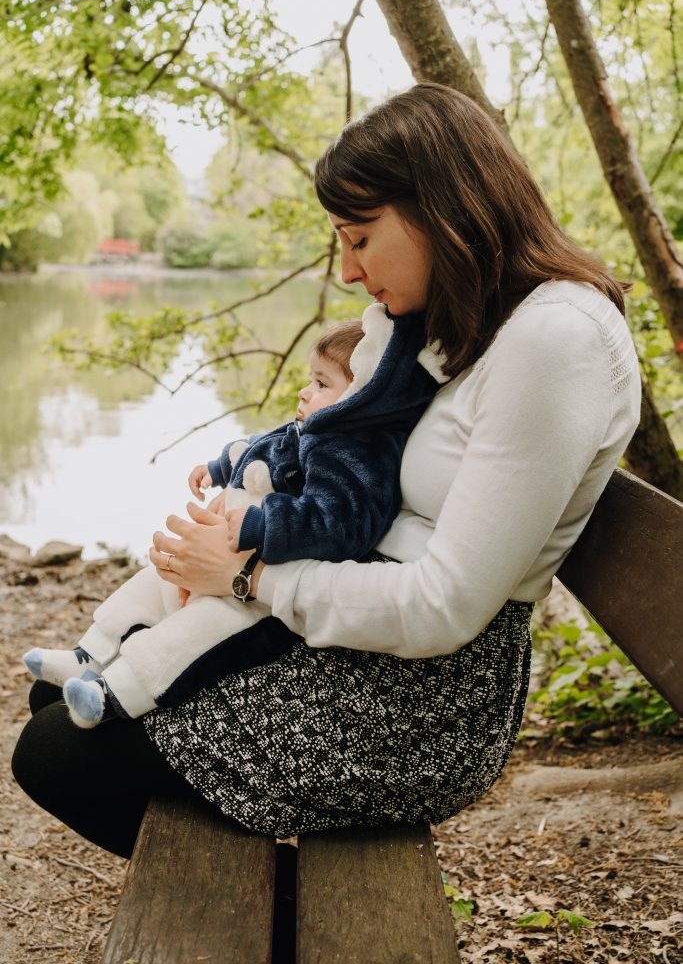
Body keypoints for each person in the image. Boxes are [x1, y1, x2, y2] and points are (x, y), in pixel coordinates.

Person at [12, 83, 641, 859]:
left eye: (360, 237)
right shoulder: (469, 327)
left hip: (421, 701)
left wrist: (245, 577)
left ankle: (264, 924)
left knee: (56, 751)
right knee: (61, 699)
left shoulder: (554, 341)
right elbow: (350, 461)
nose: (347, 271)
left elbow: (444, 609)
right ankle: (259, 910)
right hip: (360, 637)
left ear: (443, 206)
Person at [22, 309, 442, 727]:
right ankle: (89, 655)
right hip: (228, 556)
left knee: (192, 636)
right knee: (157, 578)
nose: (303, 391)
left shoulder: (356, 454)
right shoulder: (317, 428)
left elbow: (341, 524)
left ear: (364, 397)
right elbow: (266, 445)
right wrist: (221, 465)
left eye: (320, 383)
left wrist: (261, 523)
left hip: (261, 598)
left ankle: (111, 697)